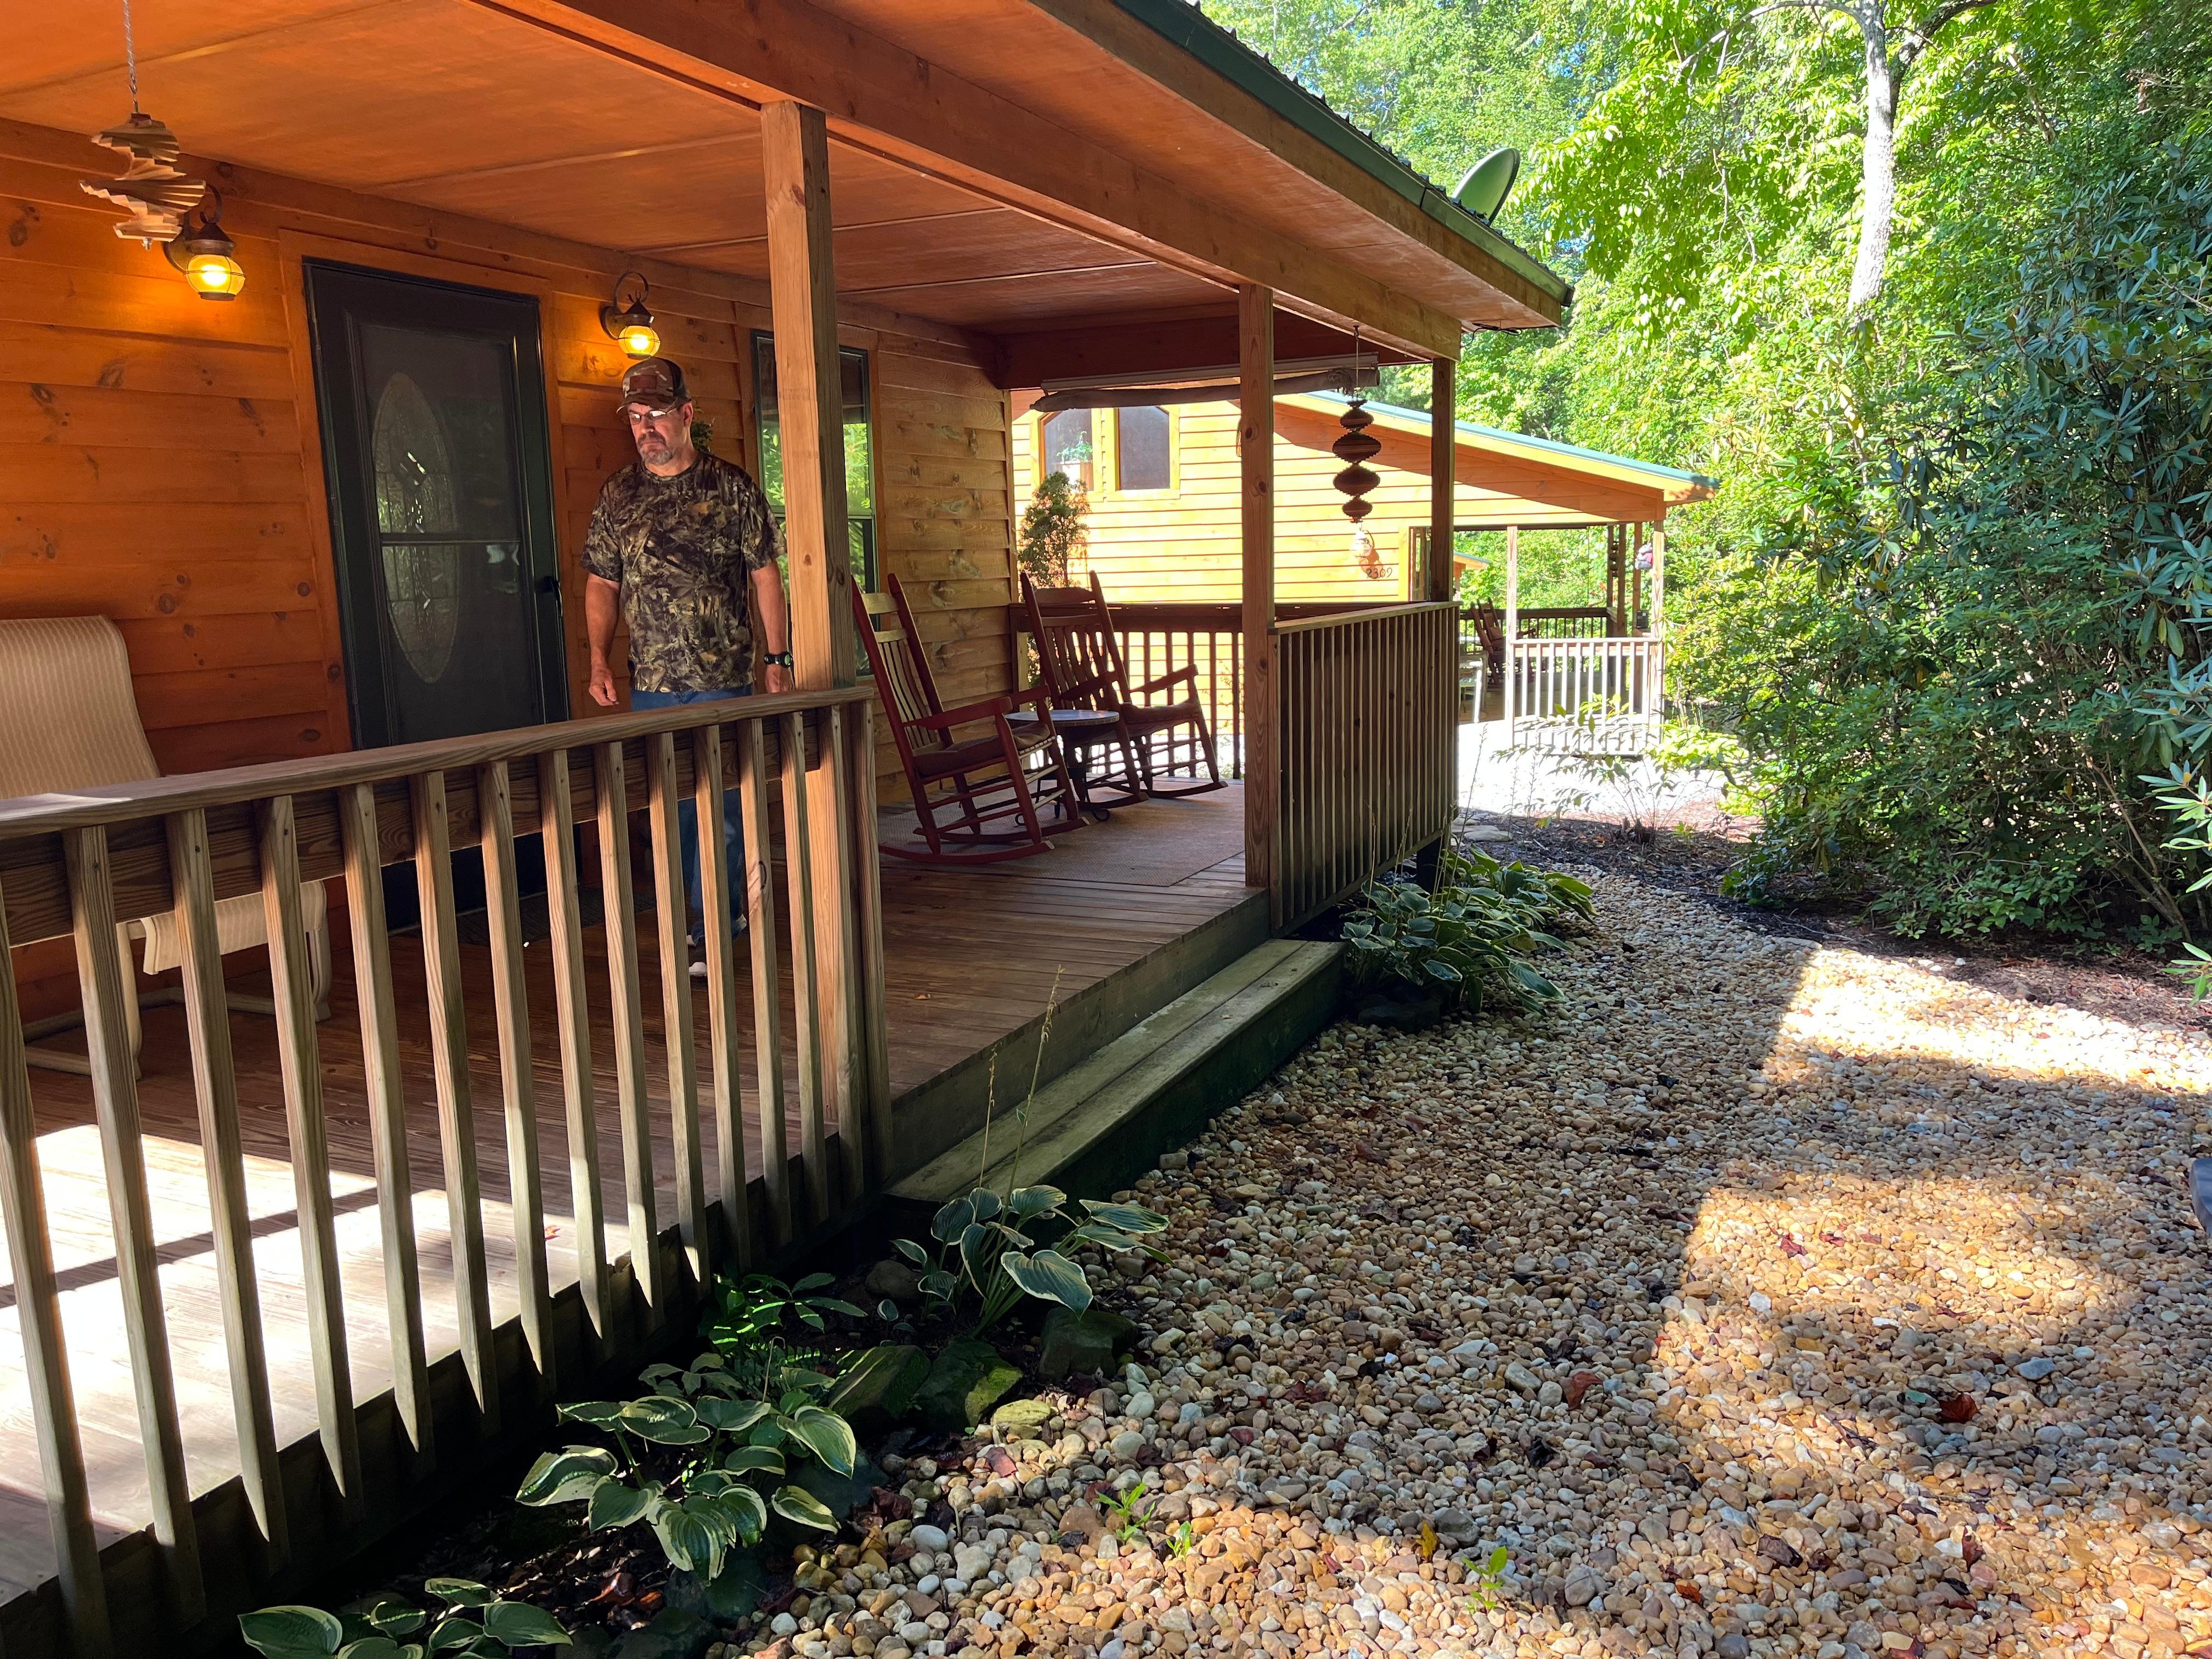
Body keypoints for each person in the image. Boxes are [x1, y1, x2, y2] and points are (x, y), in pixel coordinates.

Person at [583, 356, 793, 975]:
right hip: (651, 686)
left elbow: (766, 578)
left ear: (687, 416)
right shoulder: (619, 495)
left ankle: (712, 921)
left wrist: (776, 658)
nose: (647, 428)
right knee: (670, 815)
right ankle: (701, 917)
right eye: (637, 418)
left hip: (722, 680)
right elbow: (602, 583)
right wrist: (598, 658)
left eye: (657, 415)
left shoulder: (731, 488)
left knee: (719, 812)